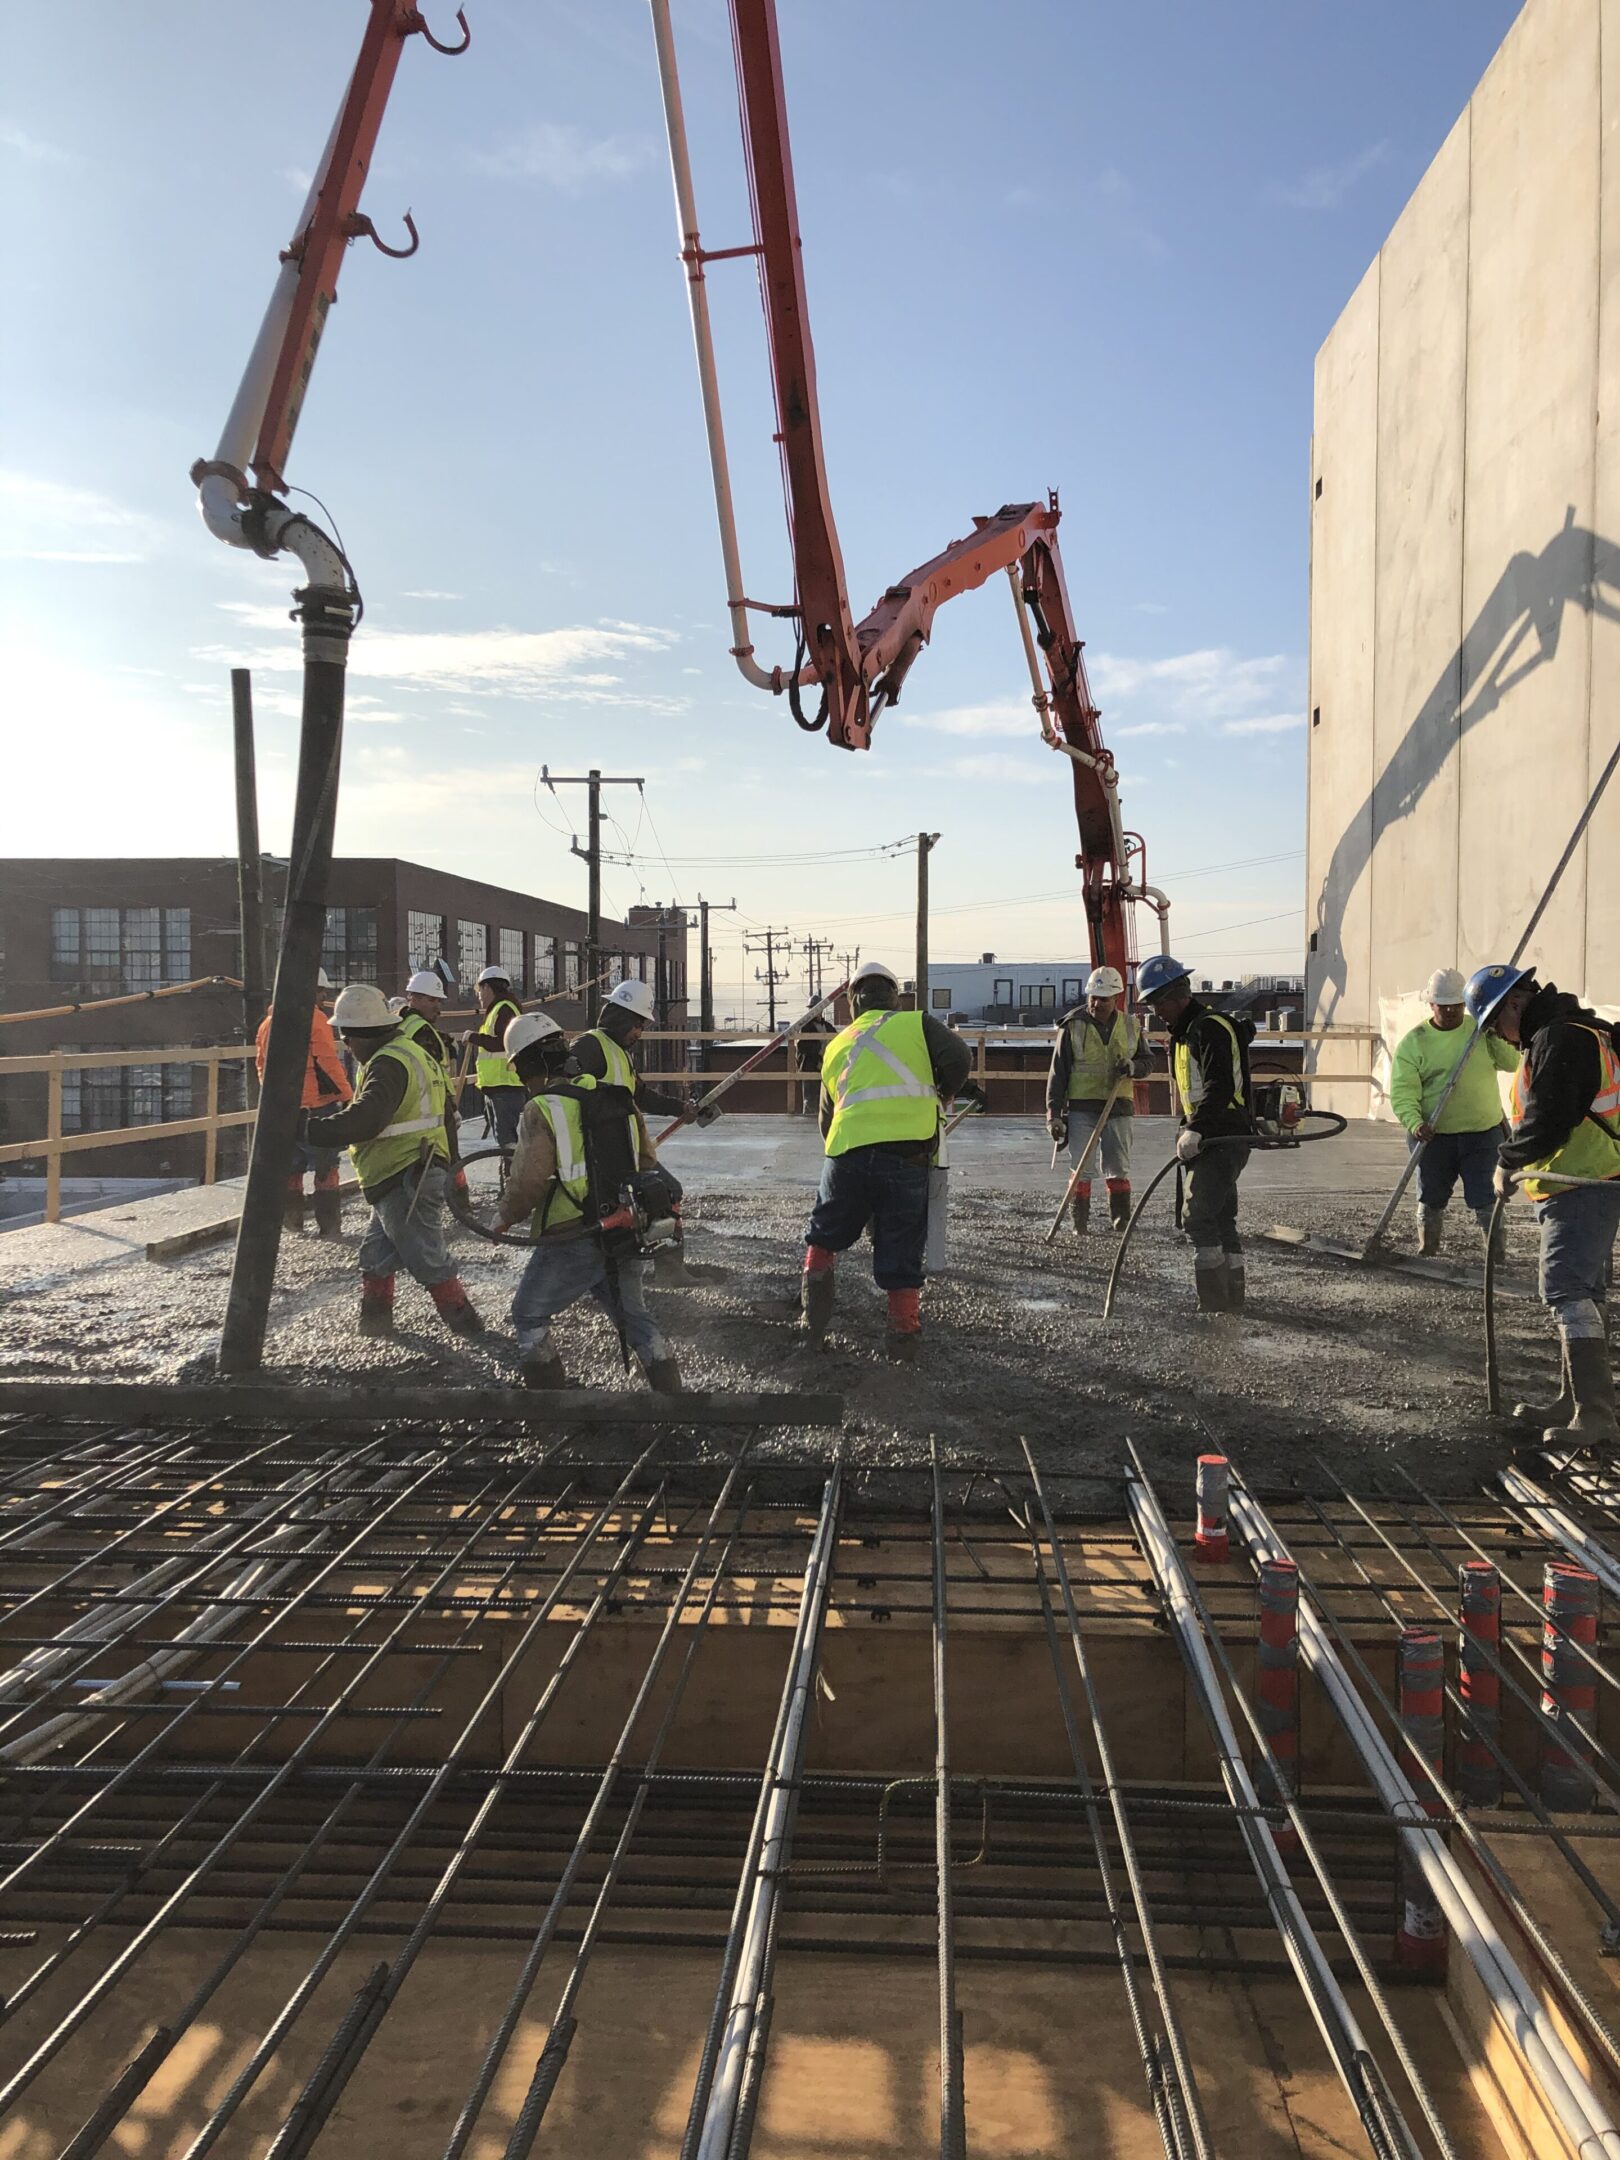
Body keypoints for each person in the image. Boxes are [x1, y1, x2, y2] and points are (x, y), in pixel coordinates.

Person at [1468, 963, 1620, 1444]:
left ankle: (1593, 1415)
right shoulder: (1580, 1032)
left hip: (1580, 1180)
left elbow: (1549, 1118)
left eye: (1495, 1023)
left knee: (1564, 1289)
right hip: (1587, 1178)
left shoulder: (1560, 1039)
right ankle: (1572, 1399)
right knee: (1584, 1291)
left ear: (1515, 1003)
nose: (1501, 1035)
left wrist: (1507, 1160)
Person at [495, 1010, 682, 1392]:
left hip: (573, 1235)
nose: (522, 1082)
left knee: (527, 1314)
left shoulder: (542, 1108)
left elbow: (527, 1184)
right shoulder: (618, 1098)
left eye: (519, 1072)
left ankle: (549, 1403)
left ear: (529, 1064)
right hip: (626, 1228)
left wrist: (502, 1218)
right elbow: (648, 1162)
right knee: (633, 1317)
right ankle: (672, 1394)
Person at [801, 958, 971, 1359]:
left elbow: (827, 1120)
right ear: (894, 997)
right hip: (908, 1154)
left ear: (853, 1001)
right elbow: (960, 1058)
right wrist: (943, 1092)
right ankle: (903, 1341)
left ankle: (811, 1328)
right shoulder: (917, 1025)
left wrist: (847, 1152)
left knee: (824, 1236)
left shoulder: (837, 1045)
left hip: (847, 1155)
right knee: (901, 1246)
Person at [303, 983, 483, 1340]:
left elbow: (366, 1120)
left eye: (348, 1037)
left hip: (406, 1175)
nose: (347, 1047)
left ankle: (470, 1329)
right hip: (402, 1173)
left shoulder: (388, 1064)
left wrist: (309, 1131)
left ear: (362, 1032)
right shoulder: (406, 1052)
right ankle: (375, 1324)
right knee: (376, 1256)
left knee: (427, 1258)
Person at [1137, 955, 1255, 1313]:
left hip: (1222, 1133)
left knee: (1199, 1217)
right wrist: (1191, 1126)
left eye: (1157, 1001)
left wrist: (1197, 1128)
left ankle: (1215, 1302)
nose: (1155, 1010)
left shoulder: (1208, 1029)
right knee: (1220, 1216)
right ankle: (1231, 1297)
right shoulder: (1186, 1034)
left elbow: (1219, 1086)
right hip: (1212, 1132)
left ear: (1178, 995)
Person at [1389, 967, 1519, 1254]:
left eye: (1456, 1006)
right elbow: (1403, 1091)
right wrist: (1415, 1123)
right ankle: (1428, 1247)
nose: (1451, 1012)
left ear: (1465, 1003)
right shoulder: (1416, 1042)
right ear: (1431, 1004)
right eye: (1444, 1006)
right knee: (1431, 1195)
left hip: (1482, 1133)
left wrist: (1496, 1032)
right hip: (1434, 1137)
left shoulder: (1481, 1030)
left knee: (1486, 1196)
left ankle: (1495, 1256)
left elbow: (1512, 1063)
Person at [1045, 964, 1153, 1234]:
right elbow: (1057, 1074)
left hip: (1119, 1106)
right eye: (1093, 997)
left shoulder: (1130, 1026)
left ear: (1115, 998)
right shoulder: (1073, 1027)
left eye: (1103, 998)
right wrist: (1053, 1114)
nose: (1097, 1003)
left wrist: (1133, 1067)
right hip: (1082, 1108)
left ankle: (1120, 1219)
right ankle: (1079, 1221)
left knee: (1118, 1166)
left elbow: (1147, 1062)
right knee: (1081, 1166)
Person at [255, 966, 351, 1238]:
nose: (323, 997)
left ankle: (293, 1224)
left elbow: (261, 1065)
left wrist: (275, 1100)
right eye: (321, 991)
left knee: (290, 1167)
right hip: (317, 1108)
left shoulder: (266, 1025)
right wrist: (349, 1097)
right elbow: (328, 1062)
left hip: (283, 1110)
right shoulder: (315, 1019)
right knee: (326, 1166)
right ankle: (328, 1226)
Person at [572, 977, 714, 1124]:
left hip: (618, 1143)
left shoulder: (619, 1053)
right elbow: (563, 1094)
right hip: (595, 1144)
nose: (639, 1034)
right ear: (622, 1020)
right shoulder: (589, 1045)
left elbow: (640, 1096)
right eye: (638, 1025)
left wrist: (680, 1108)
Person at [466, 966, 524, 1149]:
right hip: (497, 1087)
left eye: (479, 991)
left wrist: (473, 1037)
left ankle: (510, 1174)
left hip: (505, 1086)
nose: (479, 996)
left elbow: (502, 1042)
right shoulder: (500, 1009)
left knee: (507, 1140)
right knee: (504, 1139)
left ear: (487, 988)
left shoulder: (504, 1009)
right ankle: (507, 1173)